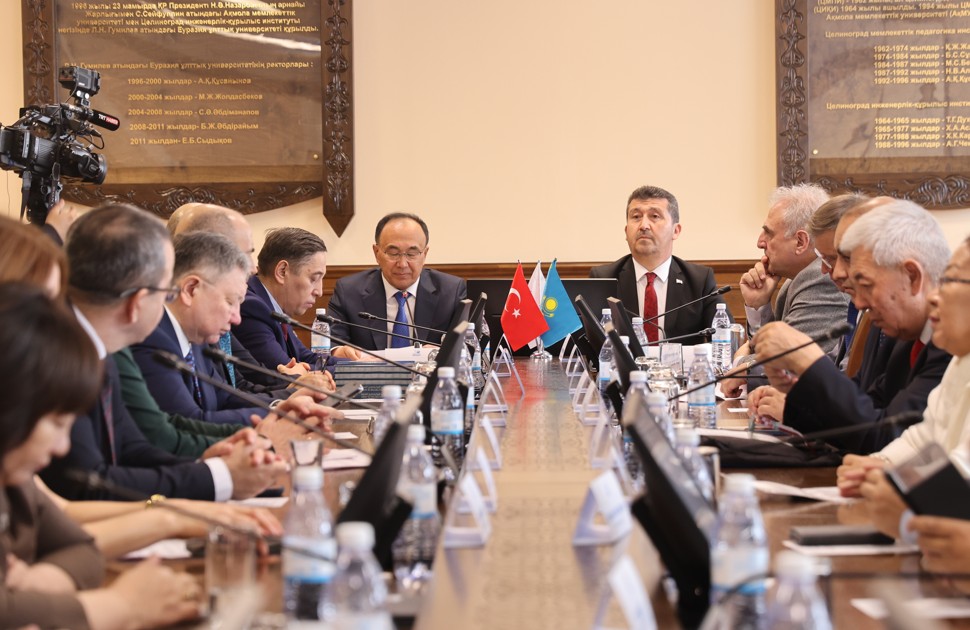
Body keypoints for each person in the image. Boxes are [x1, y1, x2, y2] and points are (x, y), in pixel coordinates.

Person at [40, 203, 290, 501]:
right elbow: (85, 484)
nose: (169, 305)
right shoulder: (57, 356)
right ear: (137, 302)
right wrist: (220, 476)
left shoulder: (100, 347)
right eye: (165, 292)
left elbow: (132, 446)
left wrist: (218, 459)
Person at [0, 283, 201, 629]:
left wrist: (40, 582)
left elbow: (82, 549)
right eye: (57, 423)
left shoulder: (13, 476)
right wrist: (121, 605)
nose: (62, 447)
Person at [753, 201, 952, 453]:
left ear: (912, 276)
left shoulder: (954, 343)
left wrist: (810, 361)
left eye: (866, 285)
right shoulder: (904, 333)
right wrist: (798, 394)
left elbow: (885, 436)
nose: (859, 303)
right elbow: (868, 408)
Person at [838, 233, 970, 503]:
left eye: (949, 281)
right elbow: (924, 438)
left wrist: (899, 483)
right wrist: (881, 464)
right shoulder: (961, 359)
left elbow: (963, 472)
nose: (934, 296)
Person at [131, 231, 272, 425]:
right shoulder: (151, 338)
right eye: (230, 302)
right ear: (191, 289)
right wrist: (278, 415)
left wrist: (282, 406)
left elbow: (225, 399)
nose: (237, 318)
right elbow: (189, 423)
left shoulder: (196, 337)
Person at [589, 185, 727, 345]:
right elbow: (592, 341)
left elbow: (725, 339)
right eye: (636, 217)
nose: (643, 225)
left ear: (676, 231)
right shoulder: (604, 279)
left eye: (654, 216)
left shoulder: (699, 280)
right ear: (626, 231)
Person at [326, 212, 467, 357]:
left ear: (425, 254)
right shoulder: (349, 291)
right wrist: (339, 351)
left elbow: (466, 347)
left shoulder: (451, 291)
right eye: (393, 253)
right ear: (377, 253)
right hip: (369, 372)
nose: (402, 264)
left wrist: (439, 352)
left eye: (411, 254)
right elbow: (330, 343)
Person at [737, 184, 849, 353]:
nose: (760, 242)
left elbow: (785, 360)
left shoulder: (820, 279)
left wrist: (740, 359)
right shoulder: (794, 281)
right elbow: (772, 350)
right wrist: (758, 305)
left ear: (800, 242)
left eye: (769, 233)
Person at [232, 226, 329, 375]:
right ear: (282, 271)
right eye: (313, 279)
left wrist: (361, 364)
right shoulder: (251, 307)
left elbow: (306, 358)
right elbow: (287, 373)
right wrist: (360, 370)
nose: (319, 292)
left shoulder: (276, 305)